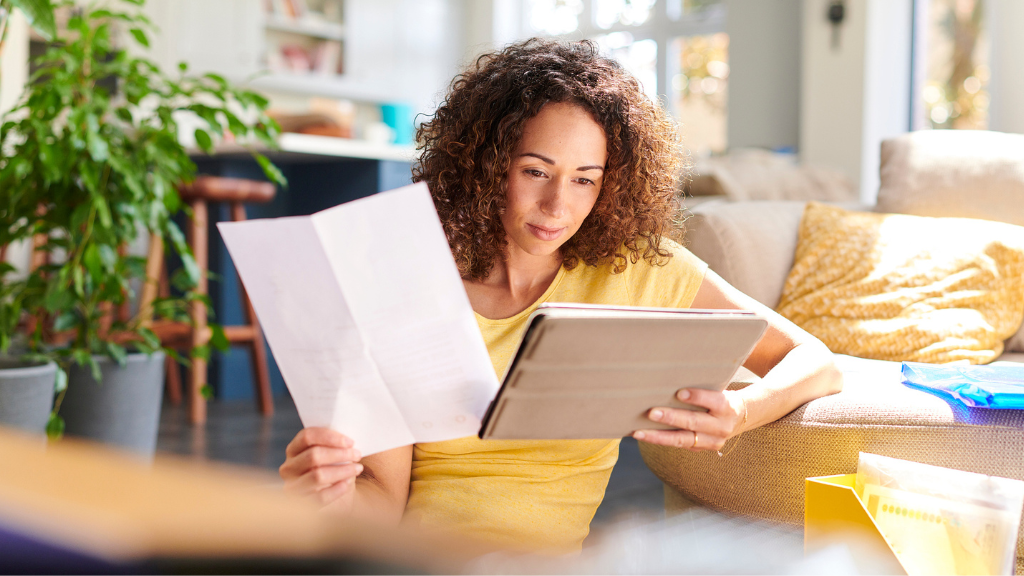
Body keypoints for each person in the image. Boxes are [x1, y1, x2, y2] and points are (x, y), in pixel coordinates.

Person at [279, 39, 842, 553]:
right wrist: (331, 495)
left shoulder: (638, 269)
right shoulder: (409, 281)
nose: (557, 206)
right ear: (486, 163)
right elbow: (382, 505)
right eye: (535, 171)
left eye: (584, 179)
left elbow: (814, 361)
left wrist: (741, 411)